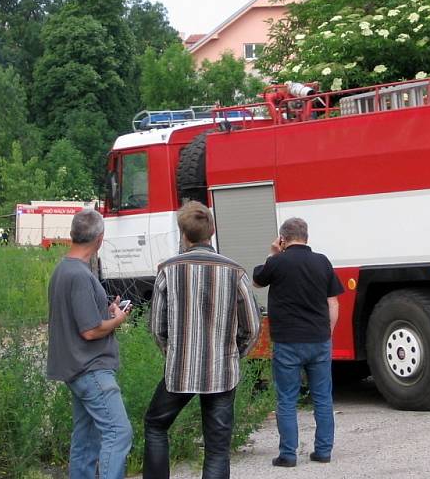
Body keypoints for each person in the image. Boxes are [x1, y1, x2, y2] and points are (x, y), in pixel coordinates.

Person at [144, 201, 261, 479]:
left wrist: (172, 352)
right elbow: (252, 327)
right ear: (213, 230)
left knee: (156, 425)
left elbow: (157, 327)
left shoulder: (167, 271)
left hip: (180, 369)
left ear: (183, 235)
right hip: (221, 370)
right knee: (217, 448)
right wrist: (235, 353)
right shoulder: (235, 272)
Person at [46, 209, 133, 479]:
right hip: (91, 368)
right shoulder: (81, 276)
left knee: (86, 439)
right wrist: (117, 320)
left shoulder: (63, 269)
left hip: (74, 367)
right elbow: (91, 331)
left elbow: (82, 319)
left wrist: (106, 310)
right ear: (100, 239)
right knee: (118, 433)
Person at [253, 217, 344, 467]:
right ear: (307, 236)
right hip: (318, 340)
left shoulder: (278, 262)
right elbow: (333, 303)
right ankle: (323, 451)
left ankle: (288, 455)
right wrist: (328, 332)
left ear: (282, 239)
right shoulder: (322, 262)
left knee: (287, 399)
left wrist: (272, 254)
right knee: (323, 397)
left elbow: (257, 281)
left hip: (287, 342)